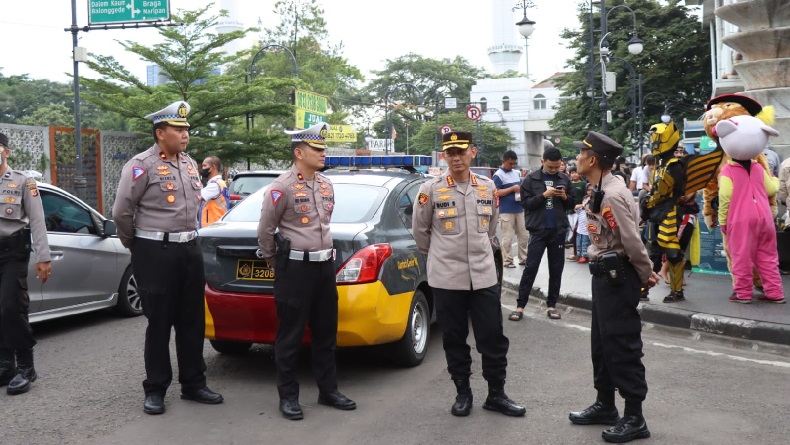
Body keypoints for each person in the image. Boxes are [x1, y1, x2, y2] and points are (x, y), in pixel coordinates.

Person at [112, 101, 223, 415]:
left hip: (189, 248)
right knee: (159, 322)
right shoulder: (141, 164)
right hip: (155, 251)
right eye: (178, 129)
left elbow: (196, 202)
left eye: (187, 128)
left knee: (192, 321)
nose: (185, 134)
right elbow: (122, 211)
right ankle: (156, 389)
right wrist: (137, 245)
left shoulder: (189, 163)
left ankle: (194, 384)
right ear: (160, 133)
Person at [412, 131, 525, 418]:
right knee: (454, 337)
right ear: (444, 156)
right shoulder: (431, 189)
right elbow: (421, 233)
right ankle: (463, 392)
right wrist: (441, 256)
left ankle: (496, 394)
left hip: (484, 275)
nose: (456, 157)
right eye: (450, 152)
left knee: (493, 337)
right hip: (447, 278)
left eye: (461, 151)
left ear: (472, 153)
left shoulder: (487, 188)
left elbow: (490, 229)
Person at [257, 122, 355, 421]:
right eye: (317, 149)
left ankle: (328, 391)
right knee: (290, 336)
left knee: (326, 333)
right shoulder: (281, 187)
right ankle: (288, 397)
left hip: (324, 267)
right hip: (295, 270)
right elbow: (265, 231)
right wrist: (279, 264)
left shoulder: (326, 185)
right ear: (299, 152)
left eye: (324, 148)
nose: (323, 153)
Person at [569, 131, 658, 444]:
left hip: (619, 276)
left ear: (592, 160)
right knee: (602, 345)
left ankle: (635, 417)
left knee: (622, 345)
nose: (576, 157)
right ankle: (606, 405)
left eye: (580, 153)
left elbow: (631, 240)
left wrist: (645, 272)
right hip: (604, 277)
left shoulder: (612, 194)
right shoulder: (600, 187)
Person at [0, 132, 51, 396]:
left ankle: (26, 367)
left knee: (11, 307)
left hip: (13, 253)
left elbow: (38, 220)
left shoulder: (22, 181)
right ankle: (5, 365)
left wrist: (43, 256)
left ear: (6, 152)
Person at [512, 146, 575, 321]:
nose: (554, 170)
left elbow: (572, 204)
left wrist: (564, 197)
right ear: (542, 162)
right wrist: (544, 195)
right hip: (538, 231)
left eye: (557, 167)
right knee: (530, 268)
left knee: (556, 270)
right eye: (551, 167)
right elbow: (525, 204)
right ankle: (520, 306)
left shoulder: (564, 178)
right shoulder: (531, 179)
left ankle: (552, 305)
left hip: (558, 231)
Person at [642, 123, 700, 303]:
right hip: (659, 213)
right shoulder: (661, 166)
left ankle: (676, 291)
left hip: (674, 214)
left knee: (674, 254)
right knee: (652, 252)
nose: (655, 145)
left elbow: (662, 192)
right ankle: (643, 289)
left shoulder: (675, 165)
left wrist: (650, 201)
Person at [493, 150, 528, 268]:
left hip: (519, 208)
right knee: (507, 237)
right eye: (510, 163)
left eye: (514, 164)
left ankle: (523, 258)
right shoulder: (498, 175)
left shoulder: (515, 173)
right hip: (506, 210)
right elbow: (496, 192)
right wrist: (512, 189)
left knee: (523, 235)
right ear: (504, 161)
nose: (512, 166)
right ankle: (507, 260)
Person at [198, 155, 230, 228]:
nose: (202, 169)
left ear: (213, 167)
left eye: (204, 166)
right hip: (217, 224)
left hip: (211, 225)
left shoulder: (214, 185)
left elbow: (197, 196)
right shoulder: (221, 183)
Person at [566, 166, 588, 260]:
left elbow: (586, 197)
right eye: (572, 173)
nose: (574, 174)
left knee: (577, 231)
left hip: (580, 211)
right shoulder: (568, 184)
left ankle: (577, 252)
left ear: (579, 173)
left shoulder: (583, 184)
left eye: (575, 172)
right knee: (573, 231)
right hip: (569, 210)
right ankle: (576, 251)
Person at [573, 183, 593, 264]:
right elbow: (575, 207)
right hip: (580, 229)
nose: (590, 192)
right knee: (579, 242)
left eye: (592, 190)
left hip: (588, 228)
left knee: (586, 243)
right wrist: (583, 204)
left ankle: (585, 256)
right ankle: (579, 255)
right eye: (588, 190)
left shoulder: (593, 202)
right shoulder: (581, 209)